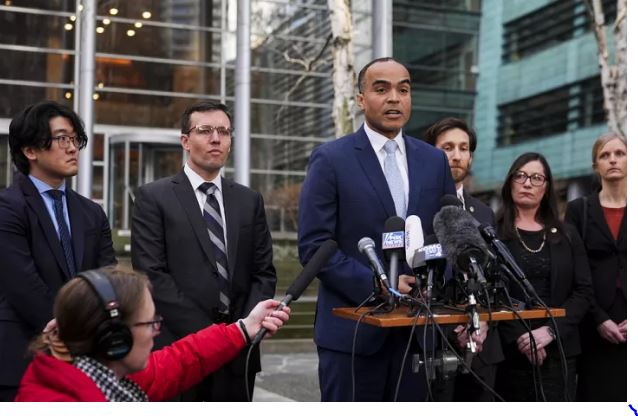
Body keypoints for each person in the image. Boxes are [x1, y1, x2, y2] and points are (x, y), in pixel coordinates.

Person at [297, 57, 456, 401]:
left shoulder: (434, 161)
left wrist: (435, 281)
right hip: (353, 334)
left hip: (418, 335)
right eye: (381, 89)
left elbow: (449, 236)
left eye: (403, 90)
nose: (394, 98)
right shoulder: (331, 159)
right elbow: (314, 246)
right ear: (360, 99)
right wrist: (378, 285)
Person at [131, 100, 277, 401]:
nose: (216, 139)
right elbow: (152, 275)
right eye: (205, 130)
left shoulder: (249, 200)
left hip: (239, 353)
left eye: (224, 131)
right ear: (185, 141)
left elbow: (263, 272)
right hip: (180, 350)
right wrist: (213, 336)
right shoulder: (153, 197)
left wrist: (243, 328)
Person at [14, 266, 289, 401]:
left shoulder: (108, 373)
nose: (156, 332)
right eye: (149, 323)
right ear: (114, 337)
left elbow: (180, 360)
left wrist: (243, 328)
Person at [0, 101, 116, 401]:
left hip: (86, 362)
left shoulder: (92, 213)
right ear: (30, 150)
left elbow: (107, 278)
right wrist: (75, 332)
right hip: (22, 356)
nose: (73, 147)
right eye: (62, 138)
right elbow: (22, 284)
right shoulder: (8, 207)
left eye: (75, 139)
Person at [494, 152, 593, 401]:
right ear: (510, 182)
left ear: (546, 187)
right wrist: (521, 338)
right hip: (509, 353)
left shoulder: (567, 234)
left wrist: (549, 331)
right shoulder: (492, 233)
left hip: (559, 351)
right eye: (521, 176)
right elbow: (492, 293)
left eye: (537, 178)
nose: (528, 183)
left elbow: (583, 291)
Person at [423, 117, 503, 401]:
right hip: (430, 346)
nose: (456, 155)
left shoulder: (483, 212)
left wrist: (483, 322)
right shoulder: (414, 206)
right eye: (447, 148)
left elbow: (493, 275)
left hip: (480, 347)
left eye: (463, 148)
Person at [564, 133, 626, 401]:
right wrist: (599, 319)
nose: (613, 160)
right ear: (595, 165)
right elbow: (574, 271)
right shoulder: (579, 210)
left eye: (620, 153)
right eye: (605, 155)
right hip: (593, 321)